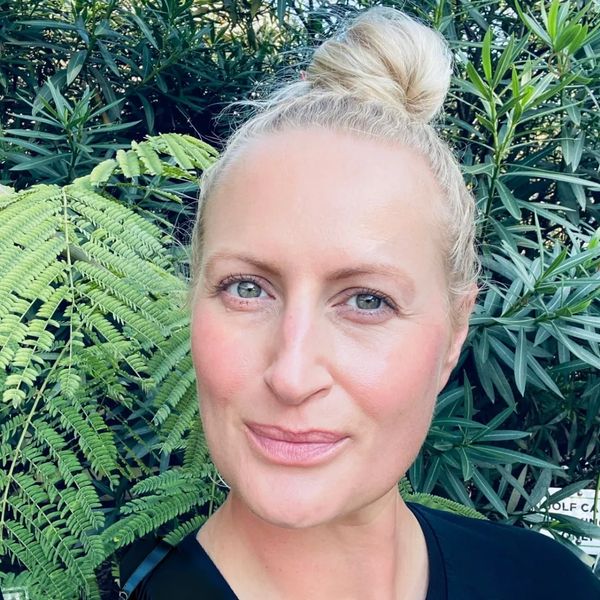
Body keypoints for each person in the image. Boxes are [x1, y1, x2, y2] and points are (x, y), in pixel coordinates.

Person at [119, 7, 600, 599]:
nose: (292, 376)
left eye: (368, 301)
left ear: (454, 333)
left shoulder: (550, 584)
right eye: (247, 288)